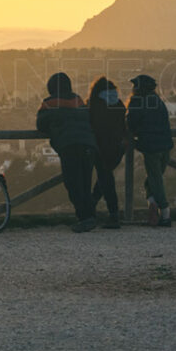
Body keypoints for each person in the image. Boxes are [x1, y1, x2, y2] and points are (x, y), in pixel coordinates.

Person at [36, 72, 98, 232]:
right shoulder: (78, 100)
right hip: (89, 144)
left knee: (73, 183)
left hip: (69, 145)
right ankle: (90, 216)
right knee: (85, 182)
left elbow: (40, 124)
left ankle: (84, 219)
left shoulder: (49, 103)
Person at [126, 74, 174, 227]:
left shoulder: (136, 102)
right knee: (152, 180)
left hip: (151, 147)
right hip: (165, 145)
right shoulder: (158, 101)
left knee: (155, 180)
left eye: (134, 86)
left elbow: (130, 125)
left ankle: (165, 214)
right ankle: (152, 206)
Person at [87, 76, 127, 229]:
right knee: (105, 178)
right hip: (117, 148)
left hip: (99, 148)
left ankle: (112, 215)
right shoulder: (119, 104)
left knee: (106, 180)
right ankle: (93, 205)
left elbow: (90, 124)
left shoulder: (94, 105)